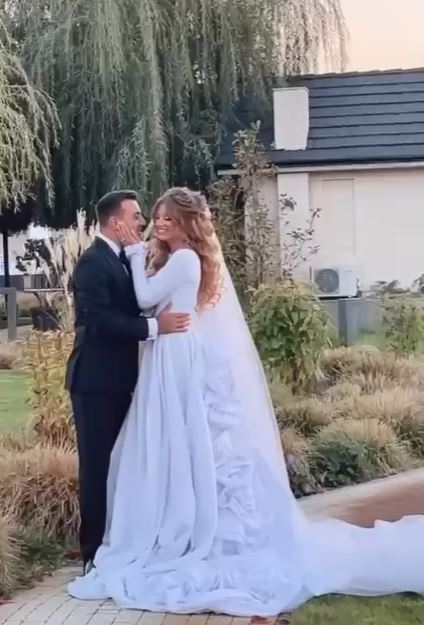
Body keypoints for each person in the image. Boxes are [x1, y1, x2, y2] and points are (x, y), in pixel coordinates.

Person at [69, 187, 424, 615]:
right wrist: (146, 297)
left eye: (165, 217)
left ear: (186, 223)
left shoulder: (183, 258)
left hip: (174, 354)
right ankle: (144, 529)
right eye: (150, 216)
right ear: (116, 221)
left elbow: (144, 300)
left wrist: (133, 259)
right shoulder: (138, 259)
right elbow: (135, 307)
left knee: (178, 437)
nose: (153, 223)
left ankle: (181, 528)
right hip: (156, 358)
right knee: (159, 443)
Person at [65, 190, 190, 573]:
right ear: (115, 222)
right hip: (96, 382)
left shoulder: (121, 259)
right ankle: (91, 552)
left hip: (123, 379)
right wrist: (155, 327)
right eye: (136, 216)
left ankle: (119, 539)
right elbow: (99, 322)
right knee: (97, 465)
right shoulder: (92, 263)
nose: (143, 223)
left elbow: (137, 301)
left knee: (123, 463)